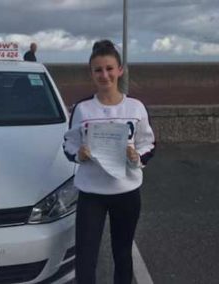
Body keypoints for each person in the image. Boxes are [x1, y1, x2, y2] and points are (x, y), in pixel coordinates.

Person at [63, 39, 155, 284]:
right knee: (85, 257)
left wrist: (138, 156)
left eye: (109, 68)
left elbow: (149, 143)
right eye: (98, 70)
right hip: (92, 193)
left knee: (123, 254)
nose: (104, 75)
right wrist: (78, 154)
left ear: (120, 70)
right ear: (91, 73)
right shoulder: (82, 109)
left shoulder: (136, 108)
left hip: (126, 192)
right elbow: (68, 144)